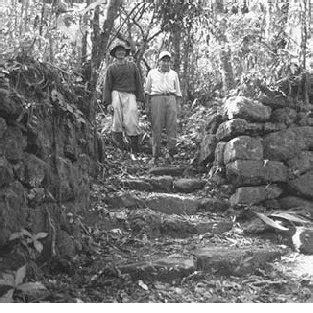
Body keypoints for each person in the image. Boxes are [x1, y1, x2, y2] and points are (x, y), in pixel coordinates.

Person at [102, 42, 144, 153]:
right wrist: (108, 103)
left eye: (122, 50)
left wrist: (140, 99)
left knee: (132, 120)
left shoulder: (132, 66)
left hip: (130, 94)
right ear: (115, 54)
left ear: (125, 53)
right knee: (117, 120)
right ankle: (119, 149)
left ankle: (134, 149)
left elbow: (139, 82)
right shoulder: (111, 68)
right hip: (116, 94)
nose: (120, 52)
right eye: (118, 51)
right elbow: (107, 86)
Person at [144, 50, 182, 165]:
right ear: (158, 62)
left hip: (171, 98)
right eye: (163, 61)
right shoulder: (152, 73)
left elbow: (178, 92)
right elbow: (147, 91)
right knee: (157, 126)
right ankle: (155, 155)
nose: (166, 63)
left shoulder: (174, 74)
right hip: (157, 99)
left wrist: (178, 105)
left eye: (168, 61)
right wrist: (147, 105)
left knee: (172, 126)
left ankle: (171, 154)